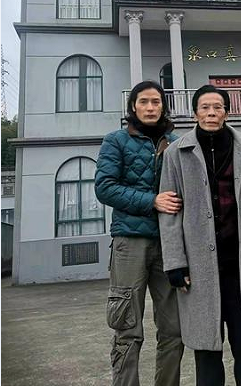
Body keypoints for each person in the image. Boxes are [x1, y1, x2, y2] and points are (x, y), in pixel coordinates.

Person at [158, 84, 241, 386]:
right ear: (195, 112)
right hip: (198, 270)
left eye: (218, 107)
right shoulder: (176, 153)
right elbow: (169, 210)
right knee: (207, 353)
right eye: (204, 107)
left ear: (227, 111)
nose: (211, 113)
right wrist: (175, 262)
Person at [94, 80, 184, 386]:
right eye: (143, 101)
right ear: (133, 106)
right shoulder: (115, 140)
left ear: (163, 106)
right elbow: (105, 188)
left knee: (174, 329)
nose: (149, 107)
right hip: (129, 242)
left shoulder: (175, 143)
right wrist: (152, 201)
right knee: (127, 326)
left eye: (155, 102)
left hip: (169, 244)